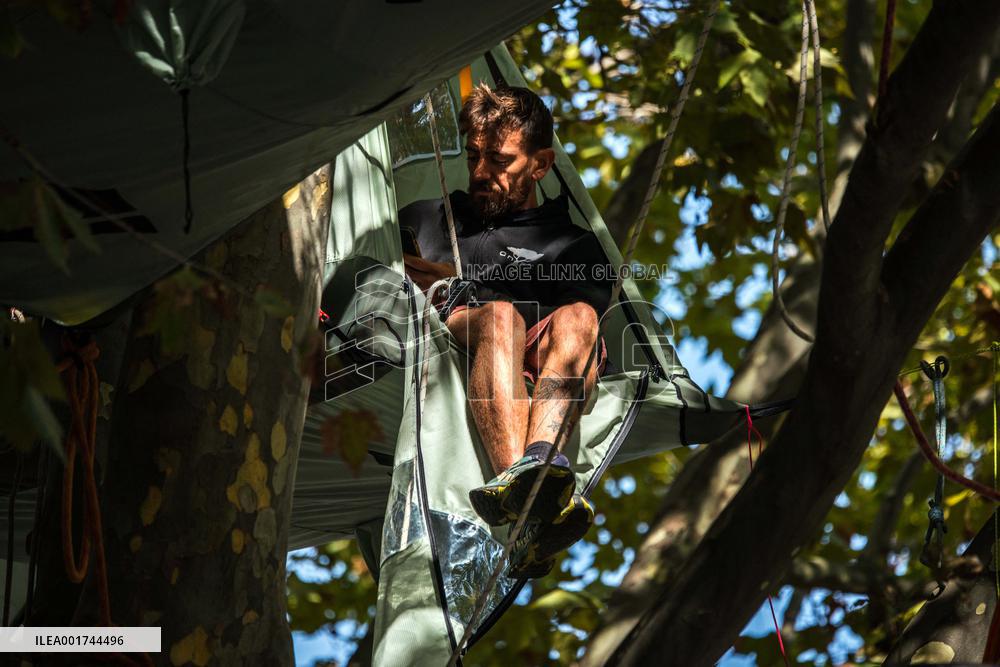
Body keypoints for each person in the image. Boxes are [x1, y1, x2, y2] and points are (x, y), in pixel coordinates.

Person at [399, 84, 611, 578]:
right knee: (499, 320)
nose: (479, 172)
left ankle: (537, 468)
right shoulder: (428, 220)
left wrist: (461, 282)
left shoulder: (574, 247)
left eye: (499, 160)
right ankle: (526, 507)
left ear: (539, 166)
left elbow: (577, 338)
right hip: (449, 342)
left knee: (577, 316)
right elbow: (380, 280)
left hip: (542, 366)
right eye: (474, 155)